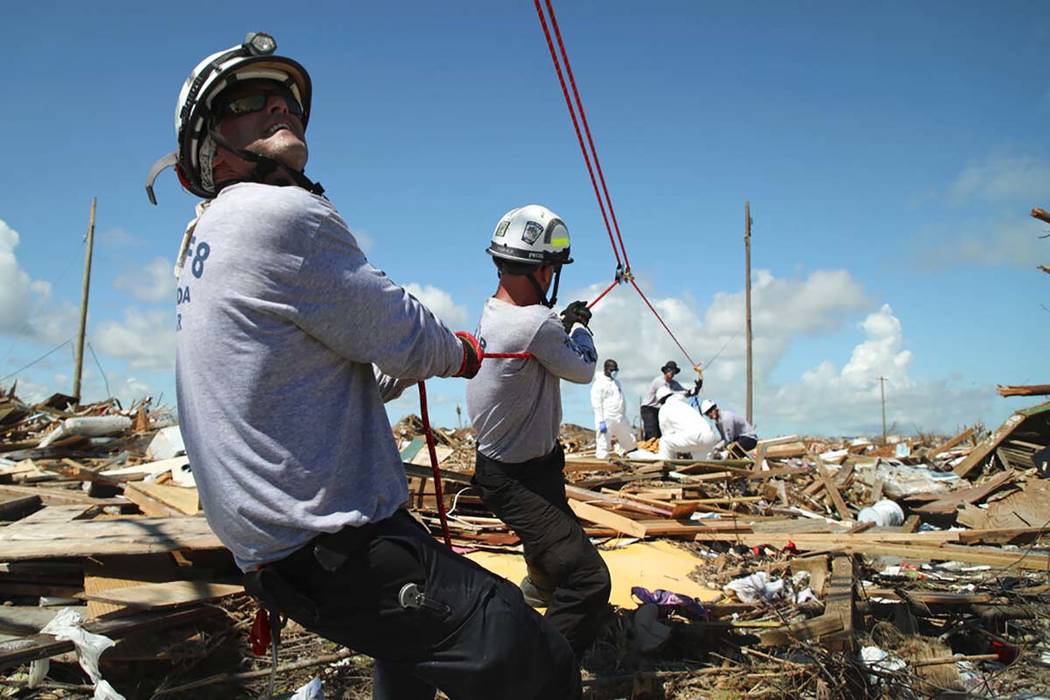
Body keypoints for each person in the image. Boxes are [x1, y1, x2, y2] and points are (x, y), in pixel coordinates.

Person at [148, 34, 578, 700]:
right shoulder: (279, 214)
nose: (279, 107)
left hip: (275, 550)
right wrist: (456, 352)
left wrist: (395, 369)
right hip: (328, 544)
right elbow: (404, 332)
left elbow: (304, 371)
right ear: (206, 149)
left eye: (286, 97)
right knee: (530, 656)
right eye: (248, 101)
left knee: (407, 650)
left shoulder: (202, 239)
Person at [467, 204, 611, 659]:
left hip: (521, 468)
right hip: (515, 480)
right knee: (589, 580)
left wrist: (561, 326)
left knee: (550, 558)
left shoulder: (495, 313)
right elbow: (583, 368)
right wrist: (581, 328)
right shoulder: (536, 324)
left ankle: (537, 595)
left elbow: (539, 343)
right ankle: (540, 669)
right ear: (545, 271)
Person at [640, 360, 703, 439]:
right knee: (653, 434)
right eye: (669, 370)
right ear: (665, 371)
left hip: (659, 409)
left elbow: (686, 393)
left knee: (660, 434)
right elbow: (667, 396)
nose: (672, 372)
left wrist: (697, 388)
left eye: (674, 371)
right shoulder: (659, 381)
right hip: (648, 409)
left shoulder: (674, 384)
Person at [655, 386, 719, 460]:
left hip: (694, 437)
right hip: (709, 437)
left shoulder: (664, 408)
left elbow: (667, 433)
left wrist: (678, 448)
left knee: (664, 441)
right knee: (703, 466)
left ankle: (667, 467)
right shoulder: (683, 404)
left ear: (661, 401)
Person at [590, 359, 637, 459]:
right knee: (603, 441)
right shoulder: (599, 384)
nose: (614, 372)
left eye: (615, 370)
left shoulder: (616, 383)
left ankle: (633, 455)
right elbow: (597, 404)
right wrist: (601, 421)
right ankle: (603, 462)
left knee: (628, 438)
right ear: (606, 370)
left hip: (620, 416)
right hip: (607, 417)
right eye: (612, 370)